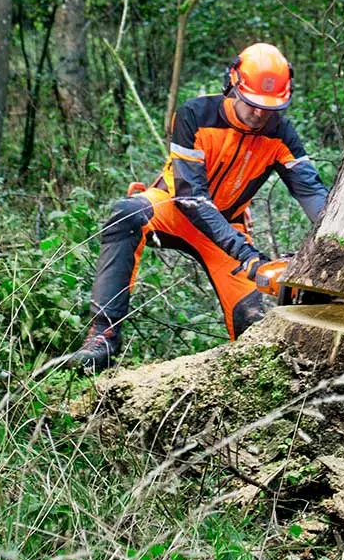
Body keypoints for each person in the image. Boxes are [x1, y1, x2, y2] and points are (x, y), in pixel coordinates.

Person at [69, 42, 329, 374]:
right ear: (233, 84)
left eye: (270, 107)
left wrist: (330, 243)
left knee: (252, 321)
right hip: (174, 208)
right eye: (253, 104)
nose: (261, 114)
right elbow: (192, 197)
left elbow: (313, 194)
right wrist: (247, 252)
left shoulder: (281, 135)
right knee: (127, 213)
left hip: (225, 227)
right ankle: (101, 340)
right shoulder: (195, 115)